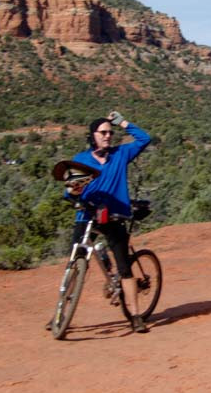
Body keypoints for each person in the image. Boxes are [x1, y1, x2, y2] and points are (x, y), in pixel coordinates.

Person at [54, 111, 151, 333]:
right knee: (76, 265)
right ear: (92, 136)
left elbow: (145, 139)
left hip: (115, 216)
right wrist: (73, 195)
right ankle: (60, 314)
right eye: (103, 132)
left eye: (110, 132)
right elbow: (73, 191)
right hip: (87, 216)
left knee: (125, 268)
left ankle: (135, 316)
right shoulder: (82, 160)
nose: (108, 136)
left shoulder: (120, 154)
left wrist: (122, 122)